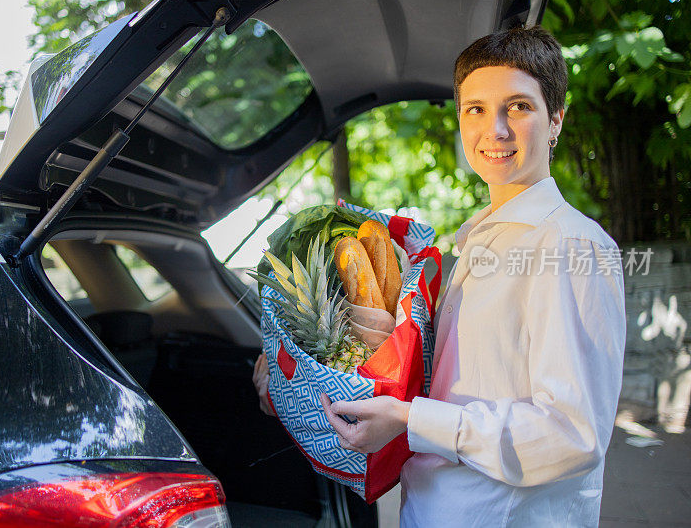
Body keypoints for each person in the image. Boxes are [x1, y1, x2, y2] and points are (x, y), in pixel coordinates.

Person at [253, 26, 626, 527]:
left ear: (556, 119)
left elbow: (570, 434)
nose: (494, 129)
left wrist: (410, 421)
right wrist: (298, 388)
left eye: (518, 106)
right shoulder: (479, 239)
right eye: (476, 108)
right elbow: (455, 385)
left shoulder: (569, 246)